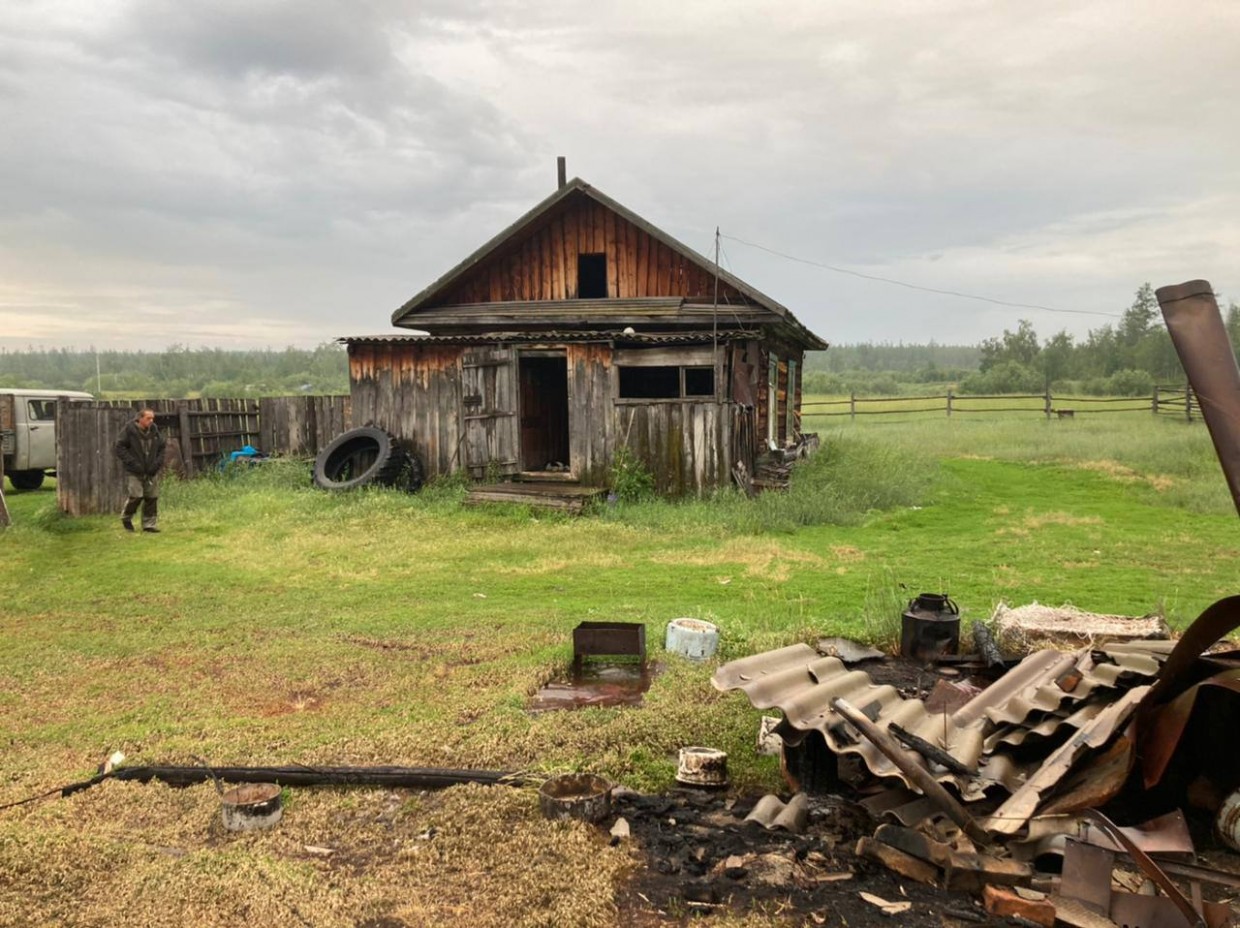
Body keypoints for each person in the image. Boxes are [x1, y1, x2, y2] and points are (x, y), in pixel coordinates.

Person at [114, 408, 166, 533]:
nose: (151, 421)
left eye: (152, 418)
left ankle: (149, 524)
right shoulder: (129, 430)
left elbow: (162, 449)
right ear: (140, 418)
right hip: (135, 471)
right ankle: (126, 518)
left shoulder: (155, 432)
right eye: (148, 418)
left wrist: (156, 465)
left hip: (151, 471)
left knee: (152, 497)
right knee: (136, 496)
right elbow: (119, 447)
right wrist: (133, 463)